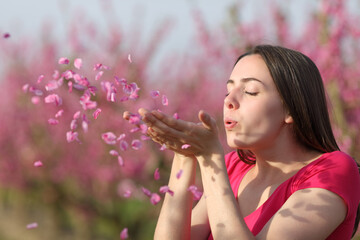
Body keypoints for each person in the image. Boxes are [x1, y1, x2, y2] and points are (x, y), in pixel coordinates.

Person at [126, 45, 360, 239]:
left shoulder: (333, 171)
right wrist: (184, 155)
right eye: (229, 90)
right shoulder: (234, 167)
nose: (230, 101)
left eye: (250, 91)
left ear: (291, 109)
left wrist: (210, 159)